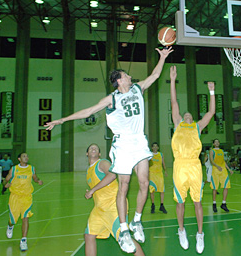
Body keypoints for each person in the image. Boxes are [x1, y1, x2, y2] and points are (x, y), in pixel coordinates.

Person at [45, 47, 173, 252]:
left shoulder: (138, 89)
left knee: (144, 183)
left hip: (139, 141)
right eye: (126, 75)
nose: (131, 76)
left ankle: (136, 221)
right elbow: (88, 111)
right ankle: (123, 230)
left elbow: (156, 75)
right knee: (123, 185)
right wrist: (62, 120)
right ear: (119, 80)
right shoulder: (111, 99)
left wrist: (163, 57)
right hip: (122, 144)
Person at [170, 65, 215, 254]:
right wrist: (172, 80)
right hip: (180, 166)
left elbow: (211, 113)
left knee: (197, 202)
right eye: (185, 114)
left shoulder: (197, 126)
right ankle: (181, 230)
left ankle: (199, 234)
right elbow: (174, 103)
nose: (187, 115)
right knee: (180, 202)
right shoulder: (178, 124)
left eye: (189, 115)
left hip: (195, 166)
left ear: (193, 118)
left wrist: (212, 91)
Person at [83, 144, 144, 256]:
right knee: (89, 235)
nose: (93, 148)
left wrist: (92, 190)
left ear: (99, 154)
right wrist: (91, 192)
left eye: (96, 148)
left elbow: (112, 175)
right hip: (99, 209)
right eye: (91, 147)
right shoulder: (89, 170)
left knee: (125, 238)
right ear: (87, 153)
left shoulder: (102, 163)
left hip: (113, 206)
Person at [4, 152, 44, 251]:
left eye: (27, 156)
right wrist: (6, 184)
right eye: (24, 156)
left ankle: (23, 240)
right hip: (15, 196)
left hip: (27, 197)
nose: (26, 157)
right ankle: (10, 226)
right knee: (13, 220)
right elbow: (6, 179)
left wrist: (38, 181)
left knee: (25, 217)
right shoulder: (14, 169)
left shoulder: (31, 168)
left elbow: (34, 178)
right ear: (19, 159)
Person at [209, 139, 234, 213]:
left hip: (223, 170)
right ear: (213, 144)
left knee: (226, 186)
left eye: (218, 142)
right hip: (216, 170)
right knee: (215, 188)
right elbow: (211, 161)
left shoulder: (222, 151)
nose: (217, 143)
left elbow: (223, 161)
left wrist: (229, 169)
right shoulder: (212, 151)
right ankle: (214, 203)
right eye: (215, 142)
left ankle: (224, 203)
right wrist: (217, 166)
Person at [149, 142, 167, 214]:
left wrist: (165, 170)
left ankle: (161, 206)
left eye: (156, 146)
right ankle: (153, 205)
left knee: (162, 190)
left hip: (159, 174)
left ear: (158, 147)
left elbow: (163, 163)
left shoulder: (161, 154)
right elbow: (147, 164)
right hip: (152, 174)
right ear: (152, 147)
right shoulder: (150, 155)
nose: (155, 147)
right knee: (152, 190)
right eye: (154, 146)